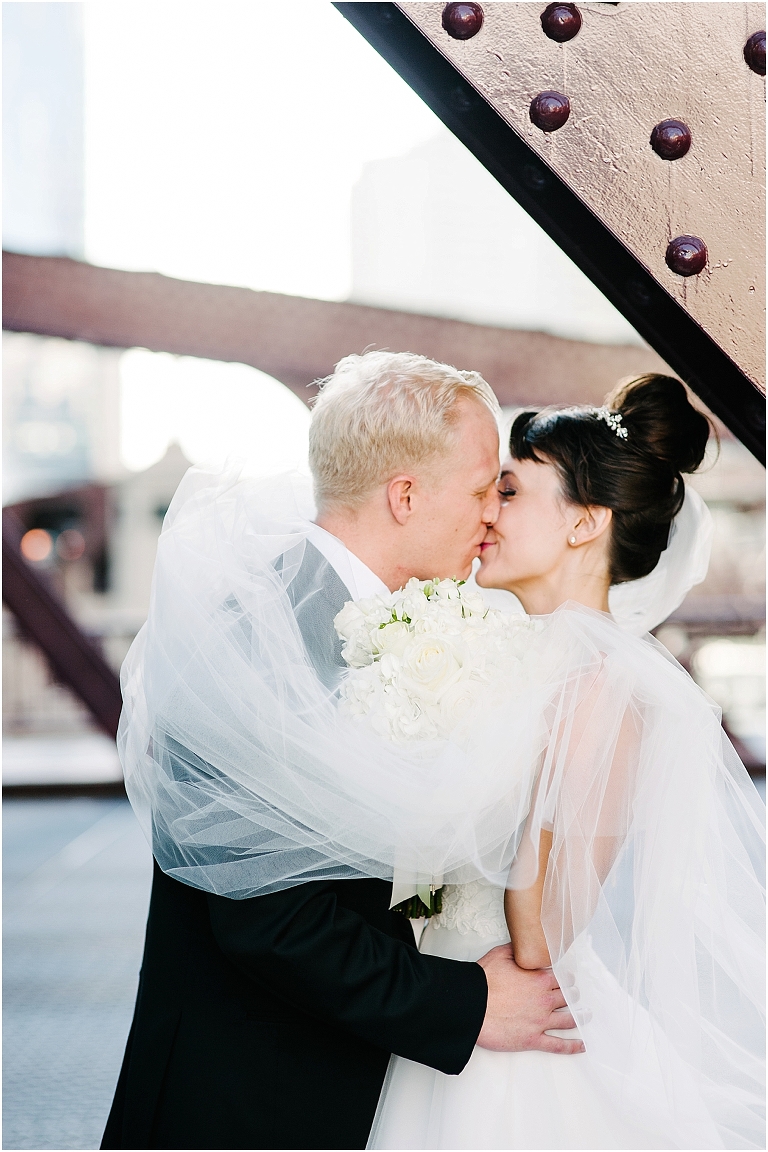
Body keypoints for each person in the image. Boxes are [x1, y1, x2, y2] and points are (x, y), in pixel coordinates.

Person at [101, 352, 583, 1152]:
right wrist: (467, 1004)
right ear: (404, 496)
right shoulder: (261, 637)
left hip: (339, 1078)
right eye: (477, 492)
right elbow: (267, 920)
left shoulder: (380, 620)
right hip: (246, 1098)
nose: (491, 517)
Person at [367, 375, 765, 1150]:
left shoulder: (597, 684)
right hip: (448, 995)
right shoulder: (514, 657)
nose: (488, 511)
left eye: (510, 491)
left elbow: (544, 934)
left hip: (513, 1020)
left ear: (585, 523)